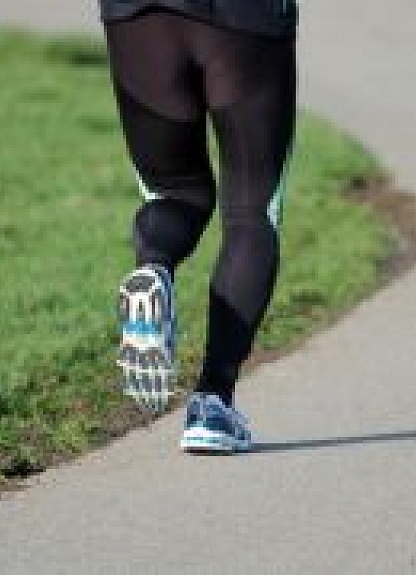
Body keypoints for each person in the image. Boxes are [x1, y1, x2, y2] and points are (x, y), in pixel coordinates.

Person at [99, 0, 298, 453]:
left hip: (137, 17)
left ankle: (154, 265)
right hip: (247, 22)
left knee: (173, 193)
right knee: (251, 214)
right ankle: (213, 402)